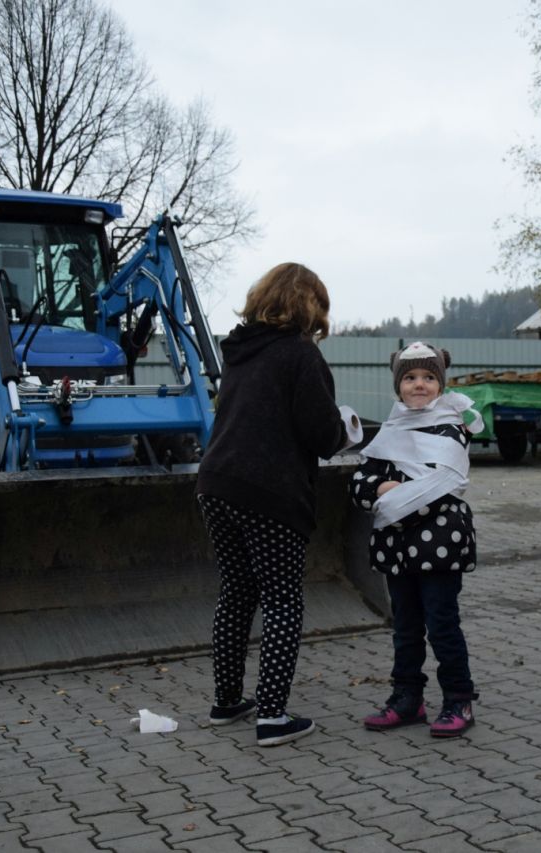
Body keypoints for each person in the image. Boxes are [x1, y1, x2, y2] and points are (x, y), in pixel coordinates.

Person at [194, 262, 350, 747]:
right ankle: (272, 715)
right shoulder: (300, 355)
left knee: (237, 592)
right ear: (310, 306)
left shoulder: (239, 351)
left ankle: (226, 701)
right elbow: (322, 434)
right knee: (282, 600)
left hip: (216, 484)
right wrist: (347, 431)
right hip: (269, 491)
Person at [350, 341, 482, 737]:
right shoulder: (390, 431)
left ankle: (459, 700)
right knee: (405, 628)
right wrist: (385, 488)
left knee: (442, 625)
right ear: (398, 386)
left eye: (428, 377)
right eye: (409, 377)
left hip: (440, 546)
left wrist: (393, 493)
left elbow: (442, 487)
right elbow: (358, 485)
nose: (419, 384)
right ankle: (408, 699)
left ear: (441, 384)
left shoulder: (452, 429)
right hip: (397, 550)